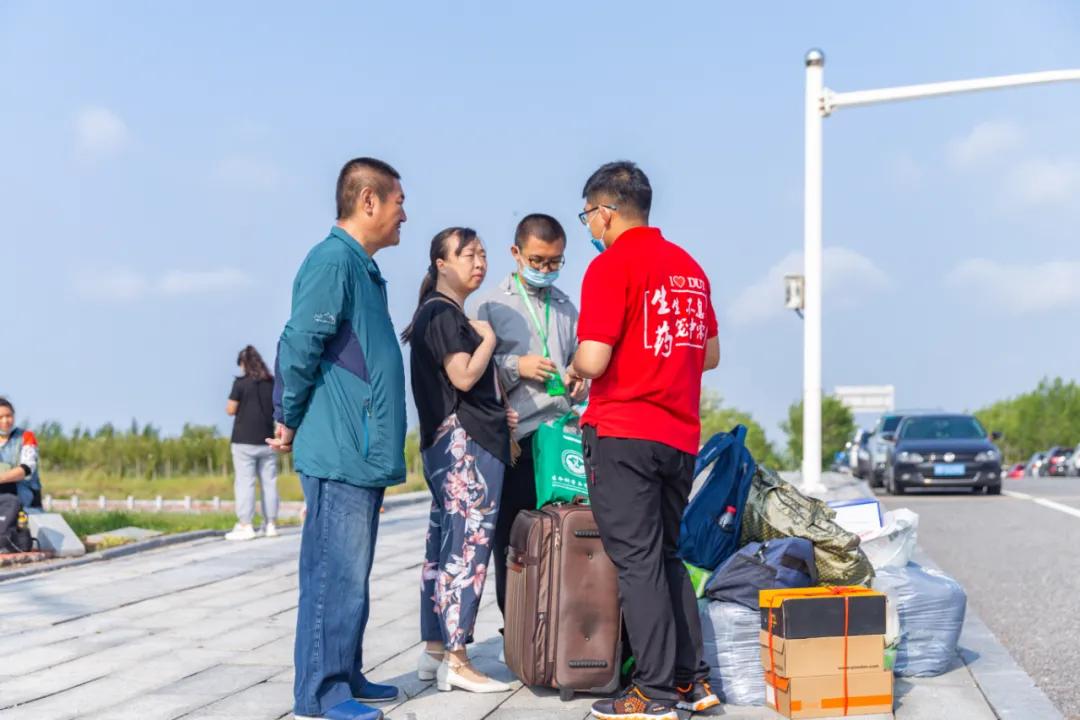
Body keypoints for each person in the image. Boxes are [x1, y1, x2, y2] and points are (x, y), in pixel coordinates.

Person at [570, 161, 721, 720]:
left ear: (606, 212)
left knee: (637, 563)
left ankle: (653, 693)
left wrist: (574, 366)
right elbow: (709, 354)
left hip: (624, 433)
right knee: (667, 556)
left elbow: (594, 357)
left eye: (588, 215)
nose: (589, 226)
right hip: (678, 436)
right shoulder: (690, 268)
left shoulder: (611, 267)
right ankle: (692, 681)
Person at [272, 157, 408, 720]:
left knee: (352, 572)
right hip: (338, 446)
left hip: (362, 445)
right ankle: (321, 694)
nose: (405, 214)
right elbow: (300, 341)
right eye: (399, 201)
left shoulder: (363, 269)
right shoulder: (333, 261)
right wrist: (286, 411)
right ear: (368, 200)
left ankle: (344, 673)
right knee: (334, 572)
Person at [402, 227, 513, 694]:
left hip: (448, 444)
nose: (478, 261)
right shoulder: (444, 314)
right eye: (466, 254)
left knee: (443, 545)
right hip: (465, 445)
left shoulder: (436, 313)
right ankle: (458, 658)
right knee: (467, 548)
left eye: (482, 253)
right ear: (440, 264)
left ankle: (434, 651)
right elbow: (463, 377)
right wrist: (487, 339)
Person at [475, 213, 586, 632]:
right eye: (537, 260)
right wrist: (513, 365)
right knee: (514, 540)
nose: (544, 270)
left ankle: (558, 628)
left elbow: (580, 365)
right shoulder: (489, 305)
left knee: (561, 538)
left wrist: (579, 382)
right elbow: (469, 369)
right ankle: (518, 627)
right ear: (516, 253)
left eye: (554, 262)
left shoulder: (566, 307)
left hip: (560, 441)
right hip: (516, 439)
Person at [225, 345, 279, 541]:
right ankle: (271, 524)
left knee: (245, 483)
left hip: (243, 441)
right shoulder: (271, 383)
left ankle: (246, 525)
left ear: (243, 364)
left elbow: (231, 409)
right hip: (267, 439)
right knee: (269, 482)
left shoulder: (240, 384)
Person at [0, 398, 42, 510]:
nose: (5, 421)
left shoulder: (26, 436)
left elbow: (27, 468)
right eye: (0, 417)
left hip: (24, 495)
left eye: (8, 416)